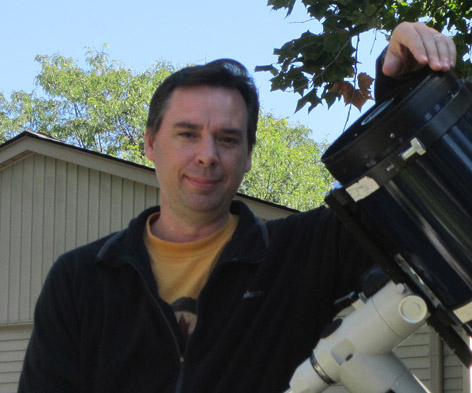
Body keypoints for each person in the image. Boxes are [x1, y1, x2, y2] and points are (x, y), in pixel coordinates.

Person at [18, 22, 456, 393]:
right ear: (150, 143)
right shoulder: (79, 279)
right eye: (187, 134)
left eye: (228, 139)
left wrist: (402, 83)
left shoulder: (302, 254)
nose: (207, 155)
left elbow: (396, 195)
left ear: (248, 156)